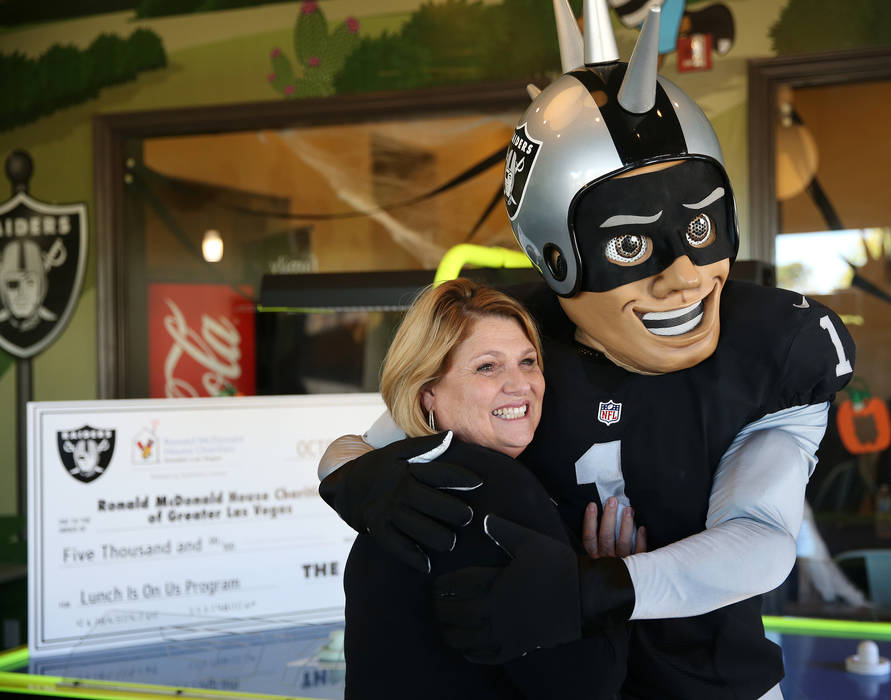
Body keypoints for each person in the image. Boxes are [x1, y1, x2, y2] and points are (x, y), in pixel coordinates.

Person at [320, 2, 855, 698]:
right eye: (630, 243)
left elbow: (761, 539)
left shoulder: (776, 347)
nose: (684, 276)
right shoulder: (514, 336)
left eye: (699, 227)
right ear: (555, 256)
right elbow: (375, 444)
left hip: (713, 683)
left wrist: (596, 588)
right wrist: (353, 477)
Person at [324, 278, 637, 700]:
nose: (520, 384)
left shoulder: (399, 477)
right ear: (428, 390)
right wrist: (605, 585)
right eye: (487, 367)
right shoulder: (492, 487)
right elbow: (582, 684)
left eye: (528, 361)